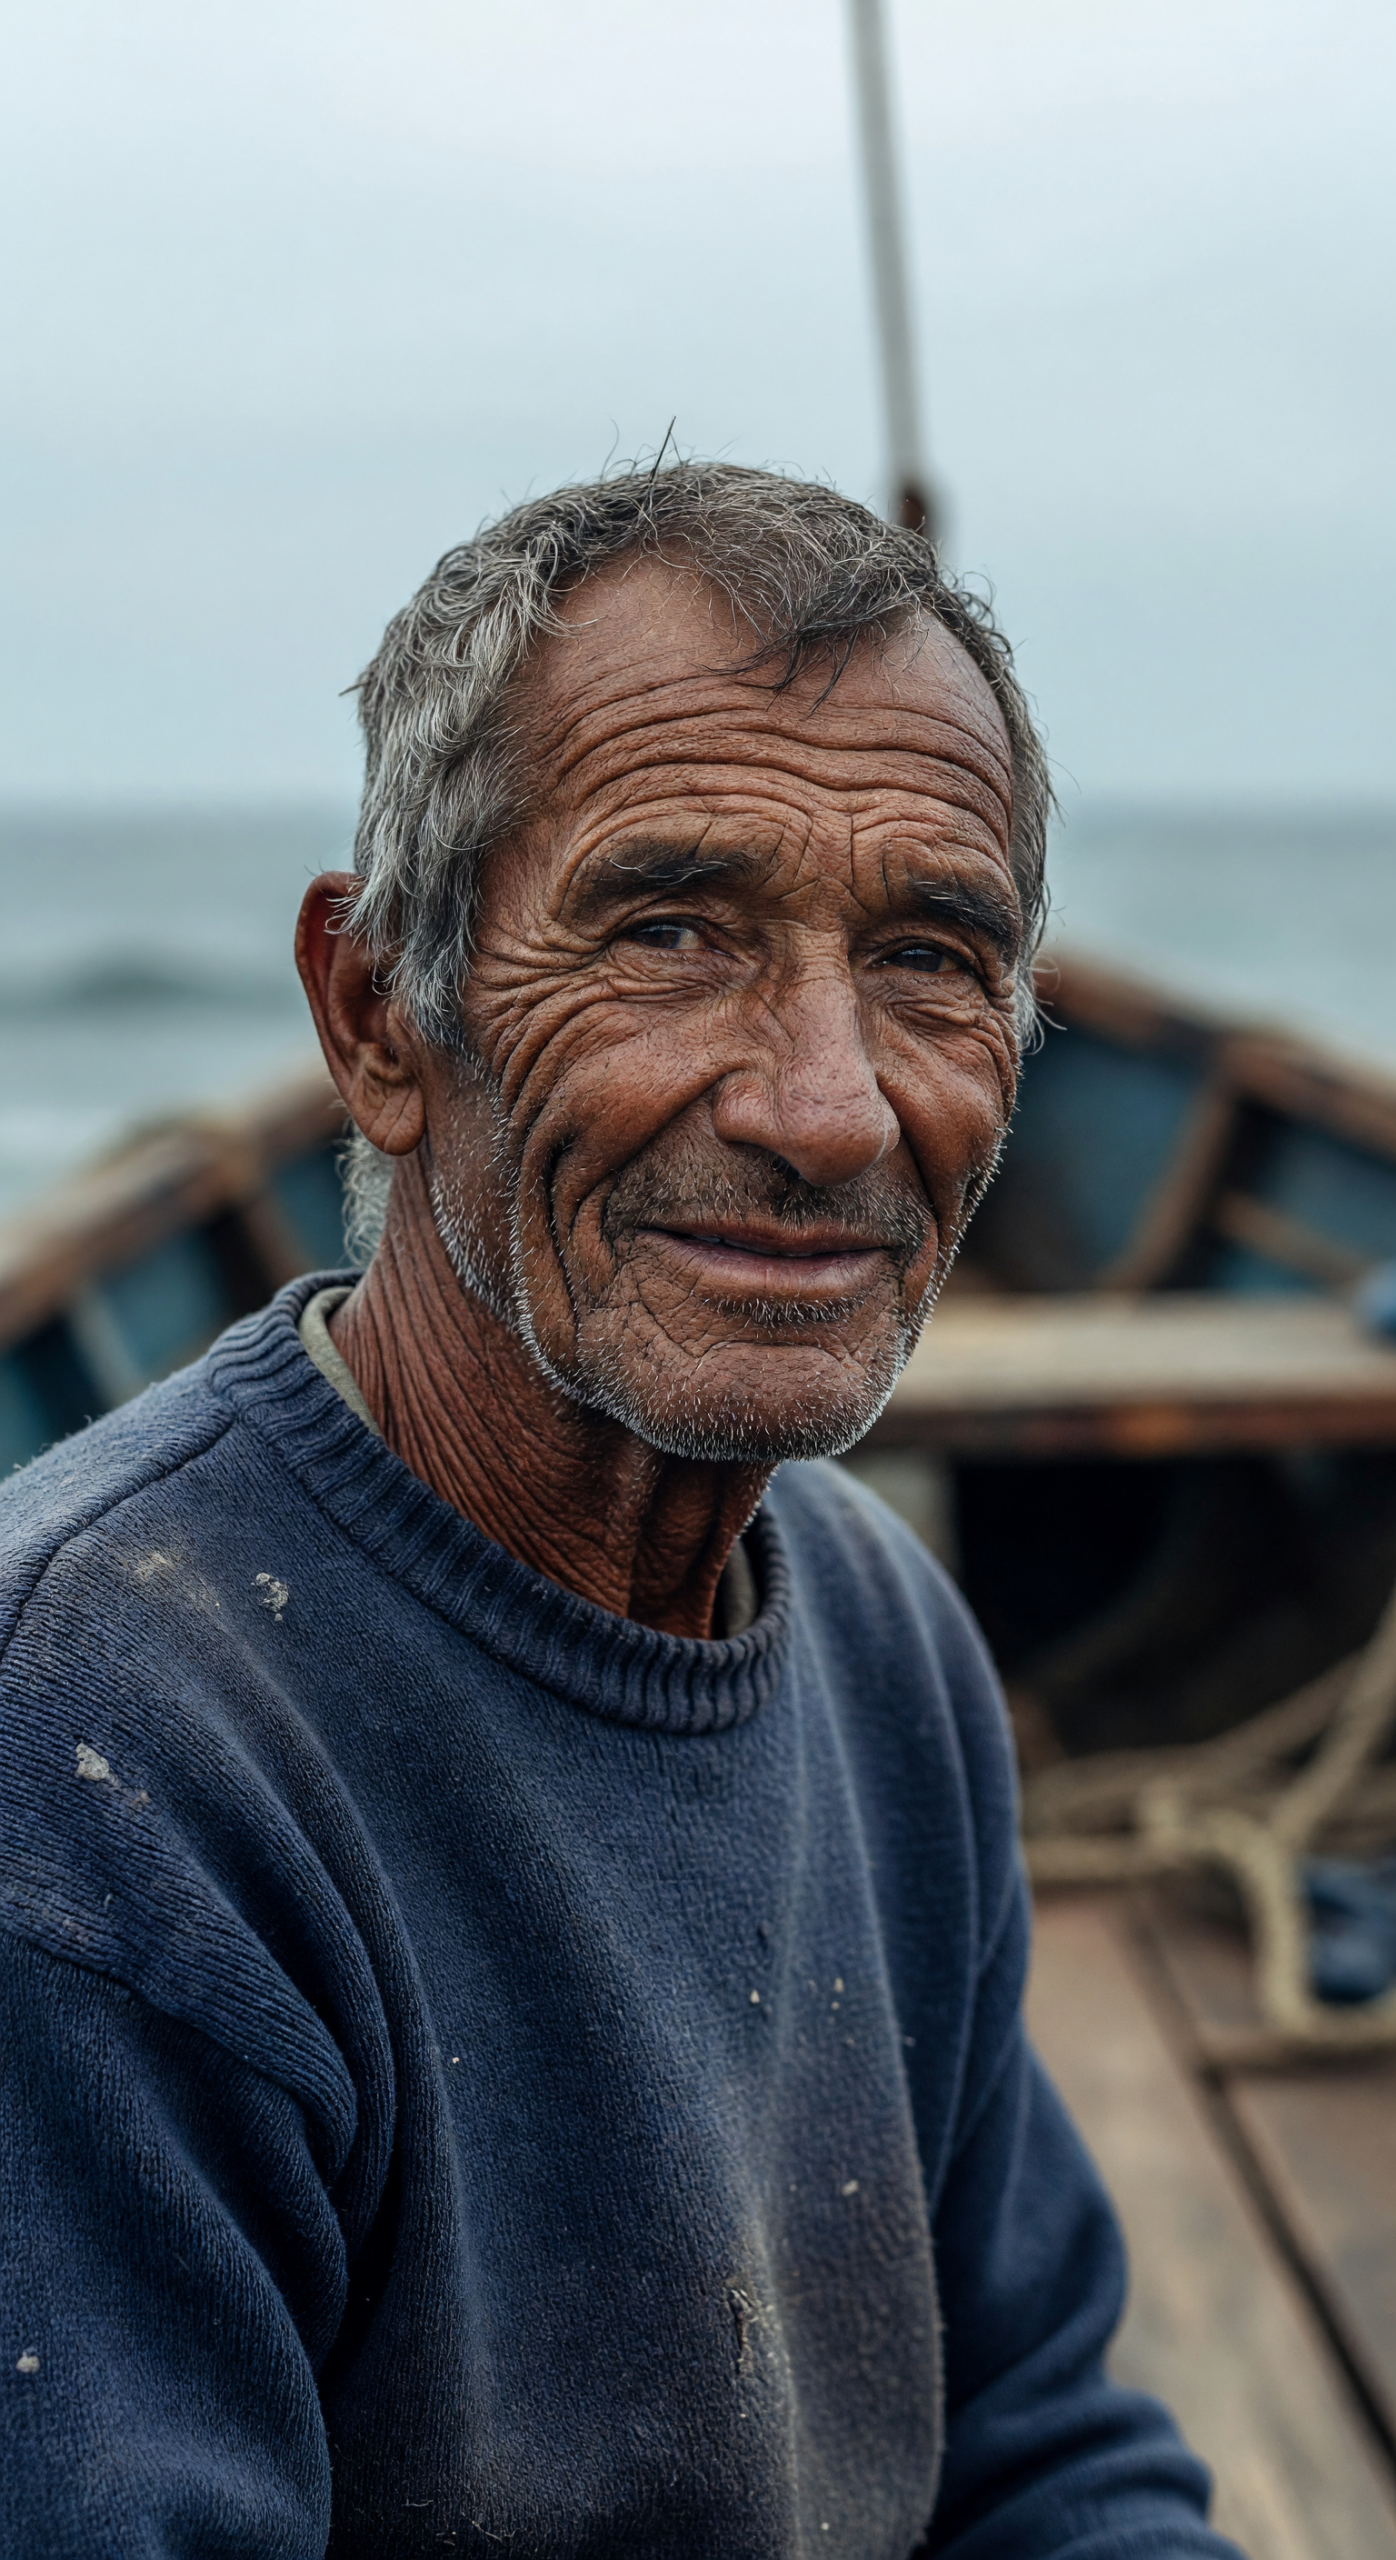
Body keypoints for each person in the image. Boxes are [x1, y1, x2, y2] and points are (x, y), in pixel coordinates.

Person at [0, 465, 1242, 2559]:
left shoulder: (880, 1632)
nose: (827, 1104)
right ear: (379, 1018)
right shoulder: (93, 1764)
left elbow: (1033, 2437)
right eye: (670, 930)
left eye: (929, 957)